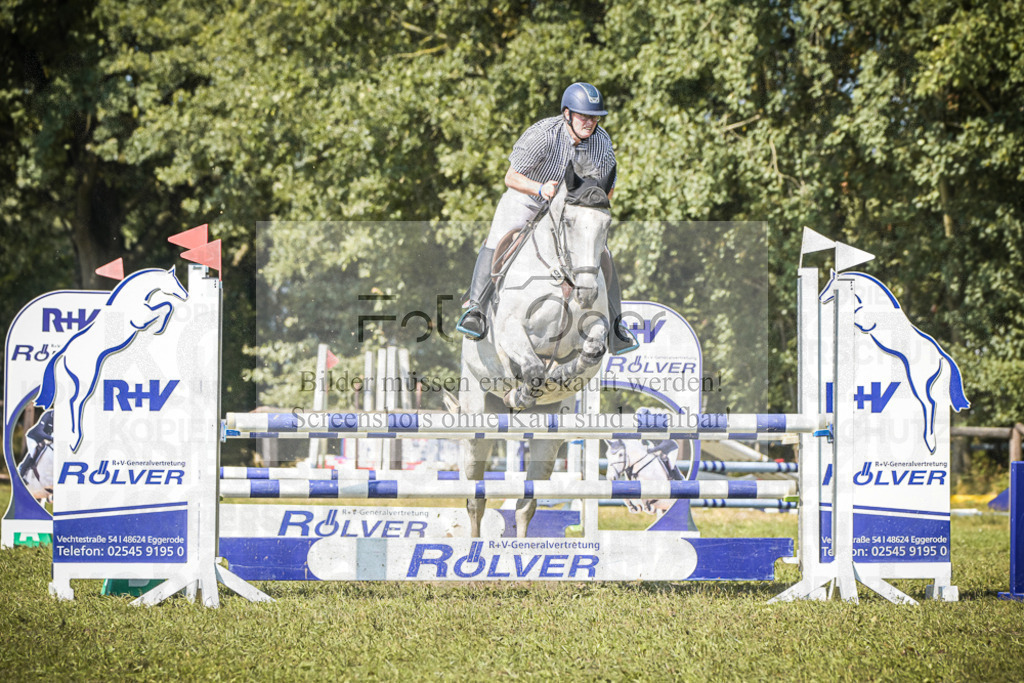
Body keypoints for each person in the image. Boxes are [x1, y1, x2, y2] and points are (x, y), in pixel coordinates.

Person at [456, 82, 639, 355]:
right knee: (498, 235)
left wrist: (591, 201)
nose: (591, 122)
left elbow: (606, 186)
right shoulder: (544, 134)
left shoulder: (601, 141)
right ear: (567, 114)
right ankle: (476, 309)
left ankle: (615, 326)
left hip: (571, 205)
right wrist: (540, 189)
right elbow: (511, 177)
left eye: (595, 117)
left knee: (601, 251)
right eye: (584, 116)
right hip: (528, 196)